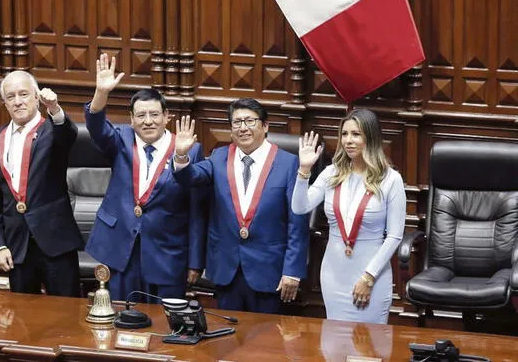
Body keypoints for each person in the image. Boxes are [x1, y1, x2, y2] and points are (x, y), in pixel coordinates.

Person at [84, 54, 207, 302]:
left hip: (167, 253)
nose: (147, 121)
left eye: (154, 114)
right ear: (131, 119)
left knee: (165, 325)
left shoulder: (189, 149)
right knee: (122, 318)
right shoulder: (121, 139)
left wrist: (195, 261)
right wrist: (101, 93)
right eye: (140, 115)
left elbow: (197, 209)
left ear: (166, 116)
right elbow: (96, 128)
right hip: (121, 249)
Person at [173, 98, 308, 314]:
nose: (243, 127)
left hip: (269, 270)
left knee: (266, 341)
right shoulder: (219, 157)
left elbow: (297, 221)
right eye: (237, 122)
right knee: (226, 340)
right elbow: (190, 178)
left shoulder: (288, 163)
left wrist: (292, 270)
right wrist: (181, 155)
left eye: (250, 121)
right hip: (227, 268)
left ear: (265, 126)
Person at [291, 108, 406, 324]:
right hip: (333, 275)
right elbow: (300, 207)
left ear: (370, 137)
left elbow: (395, 236)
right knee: (336, 346)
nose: (348, 141)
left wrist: (368, 277)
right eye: (344, 134)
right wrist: (304, 170)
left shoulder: (391, 179)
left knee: (367, 350)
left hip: (371, 275)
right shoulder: (331, 173)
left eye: (356, 134)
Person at [0, 70, 82, 297]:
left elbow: (68, 134)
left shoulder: (52, 130)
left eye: (23, 94)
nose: (17, 102)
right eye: (10, 97)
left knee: (65, 318)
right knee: (23, 319)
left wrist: (55, 109)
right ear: (4, 103)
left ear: (36, 97)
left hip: (55, 242)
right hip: (16, 247)